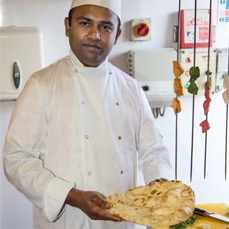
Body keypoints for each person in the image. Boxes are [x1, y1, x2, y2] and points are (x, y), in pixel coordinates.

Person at [2, 0, 173, 228]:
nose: (95, 35)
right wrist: (72, 196)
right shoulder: (41, 85)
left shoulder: (131, 89)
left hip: (119, 220)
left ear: (117, 34)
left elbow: (154, 151)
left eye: (105, 27)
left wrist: (161, 189)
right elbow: (17, 160)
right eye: (85, 23)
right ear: (67, 27)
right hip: (67, 220)